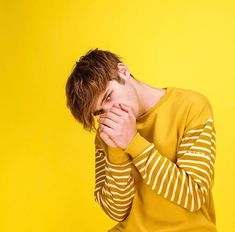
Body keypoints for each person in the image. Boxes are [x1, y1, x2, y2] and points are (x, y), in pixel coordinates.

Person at [65, 48, 217, 232]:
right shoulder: (107, 133)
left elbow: (192, 196)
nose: (111, 112)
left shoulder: (191, 107)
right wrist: (115, 151)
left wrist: (133, 143)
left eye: (108, 96)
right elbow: (117, 212)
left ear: (123, 72)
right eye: (99, 112)